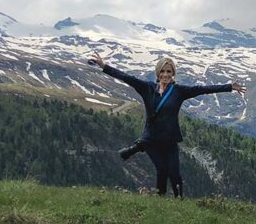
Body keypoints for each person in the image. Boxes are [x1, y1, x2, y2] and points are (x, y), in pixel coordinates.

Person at [91, 53, 246, 198]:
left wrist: (229, 87)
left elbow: (202, 90)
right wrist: (104, 66)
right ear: (158, 73)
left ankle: (179, 200)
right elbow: (126, 78)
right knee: (162, 170)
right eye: (163, 71)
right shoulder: (147, 88)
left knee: (175, 173)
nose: (165, 74)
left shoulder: (179, 91)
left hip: (170, 140)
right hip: (151, 140)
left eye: (169, 71)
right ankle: (161, 200)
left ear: (173, 73)